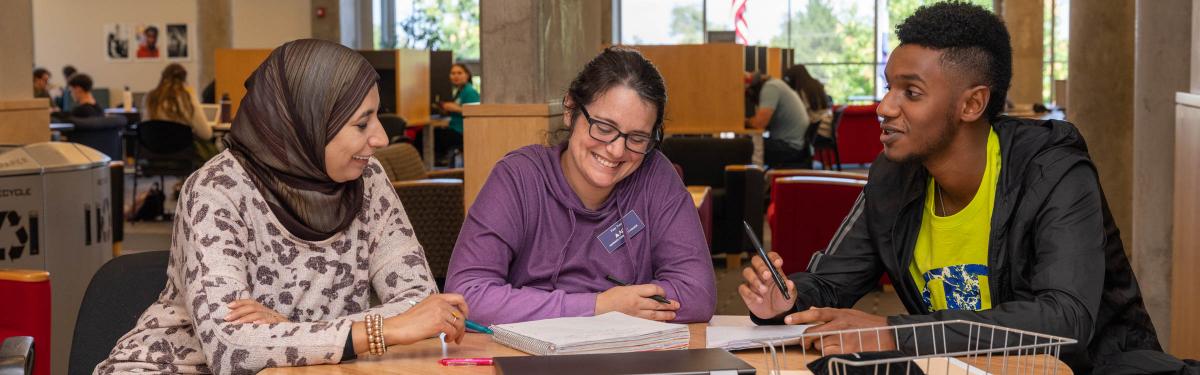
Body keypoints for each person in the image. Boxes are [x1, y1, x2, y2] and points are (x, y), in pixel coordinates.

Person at [738, 3, 1161, 373]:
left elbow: (1064, 320)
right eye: (889, 87)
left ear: (972, 104)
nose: (884, 107)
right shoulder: (893, 176)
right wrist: (786, 300)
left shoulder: (1051, 170)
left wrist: (894, 332)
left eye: (911, 92)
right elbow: (830, 283)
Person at [96, 39, 470, 373]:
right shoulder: (216, 189)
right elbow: (231, 349)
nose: (381, 137)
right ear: (306, 123)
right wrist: (382, 330)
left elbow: (420, 301)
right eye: (361, 123)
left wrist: (281, 329)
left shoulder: (366, 178)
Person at [445, 47, 716, 325]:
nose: (616, 150)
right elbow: (465, 295)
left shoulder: (656, 176)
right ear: (570, 109)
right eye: (603, 127)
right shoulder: (518, 177)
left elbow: (697, 294)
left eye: (637, 138)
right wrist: (599, 306)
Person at [143, 63, 217, 160]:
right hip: (183, 155)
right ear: (184, 79)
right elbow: (206, 134)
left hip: (153, 154)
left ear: (163, 77)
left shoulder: (149, 97)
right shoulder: (187, 97)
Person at [745, 72, 811, 169]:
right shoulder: (777, 84)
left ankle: (754, 181)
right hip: (796, 145)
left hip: (788, 148)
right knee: (747, 143)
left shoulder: (770, 88)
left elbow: (759, 123)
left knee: (743, 146)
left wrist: (744, 121)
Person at [782, 64, 835, 146]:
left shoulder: (802, 90)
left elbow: (799, 111)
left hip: (817, 132)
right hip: (826, 129)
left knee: (784, 139)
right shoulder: (816, 84)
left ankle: (794, 158)